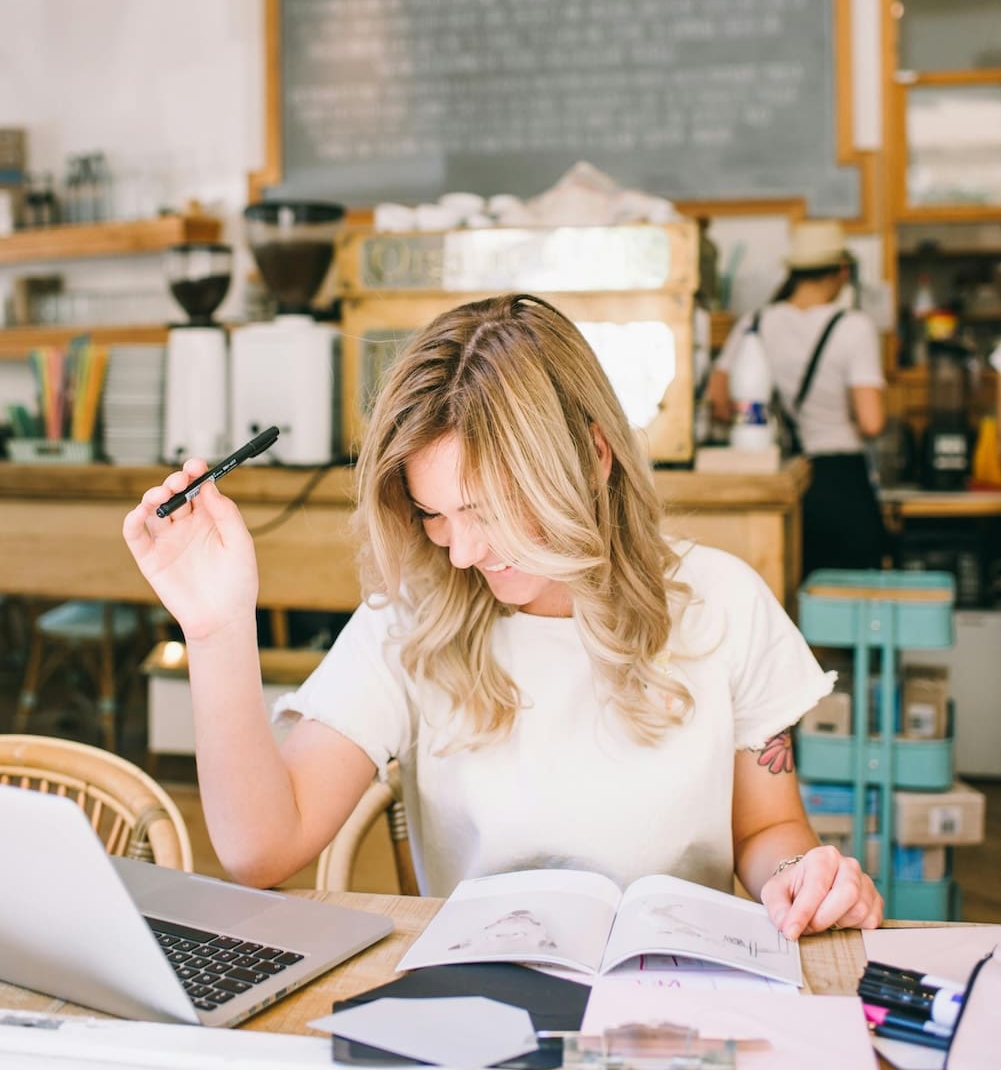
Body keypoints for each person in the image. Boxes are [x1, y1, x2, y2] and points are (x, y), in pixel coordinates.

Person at [123, 292, 882, 939]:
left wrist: (796, 877)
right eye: (435, 514)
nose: (462, 553)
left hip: (674, 1006)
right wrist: (217, 628)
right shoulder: (414, 616)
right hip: (479, 1016)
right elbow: (262, 848)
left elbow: (766, 829)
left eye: (490, 509)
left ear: (592, 457)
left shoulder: (724, 600)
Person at [708, 220, 887, 580]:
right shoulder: (853, 326)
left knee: (793, 600)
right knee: (849, 607)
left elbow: (720, 403)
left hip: (783, 477)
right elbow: (872, 422)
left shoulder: (754, 323)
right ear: (842, 272)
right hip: (842, 482)